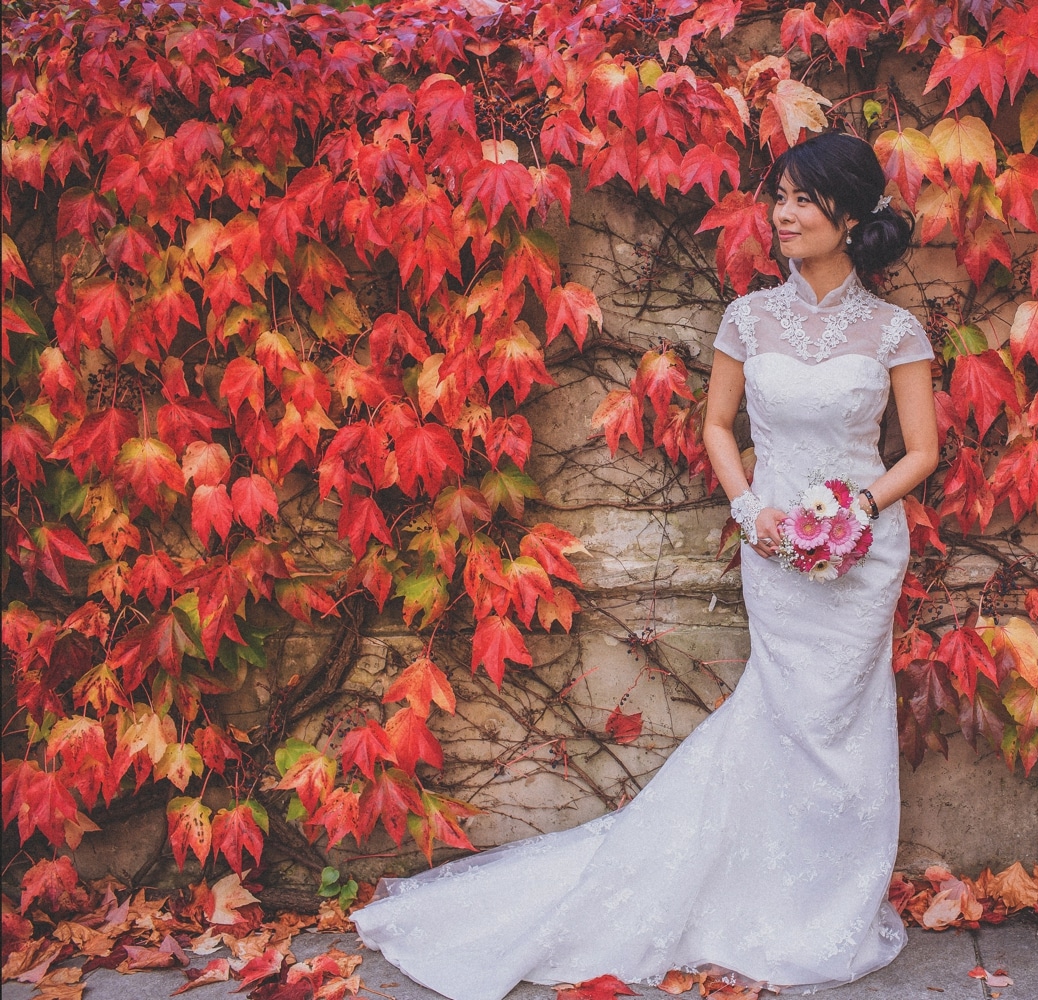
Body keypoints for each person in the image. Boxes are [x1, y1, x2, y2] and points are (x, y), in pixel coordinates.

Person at [350, 131, 940, 1000]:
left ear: (848, 216)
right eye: (776, 195)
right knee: (781, 714)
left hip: (861, 553)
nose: (781, 213)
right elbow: (715, 427)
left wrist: (859, 511)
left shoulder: (895, 329)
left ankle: (828, 903)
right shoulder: (749, 317)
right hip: (772, 544)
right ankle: (739, 889)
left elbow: (920, 451)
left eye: (802, 199)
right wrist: (750, 509)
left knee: (845, 729)